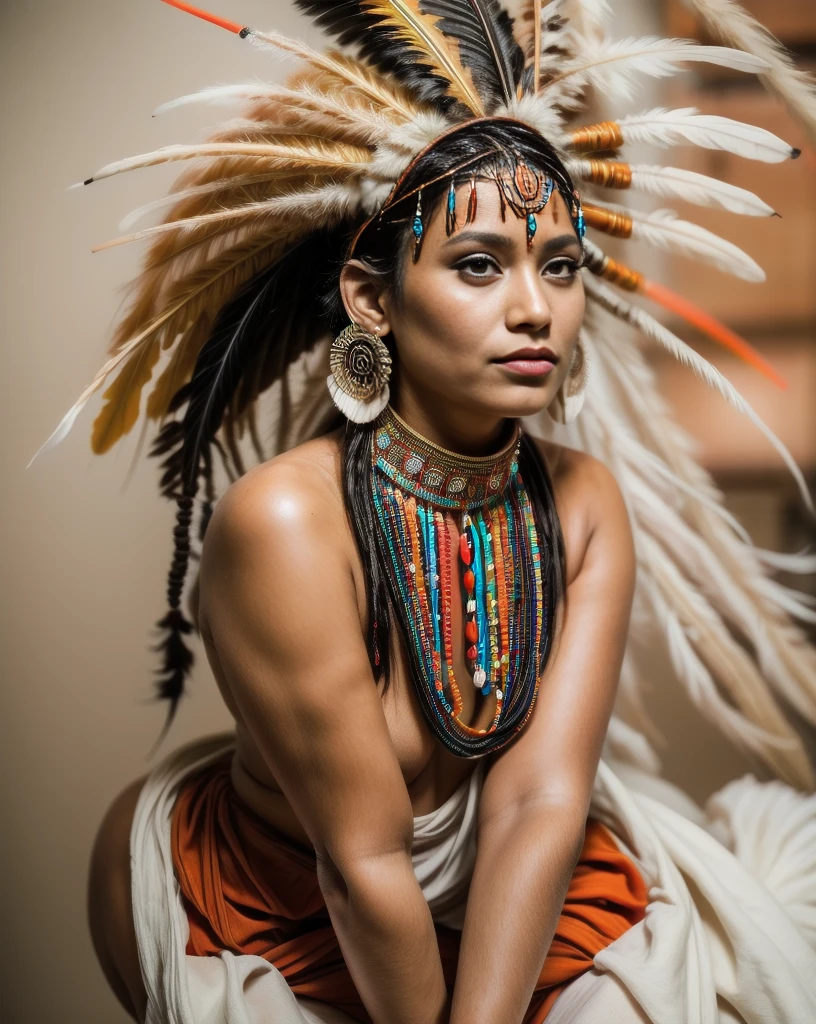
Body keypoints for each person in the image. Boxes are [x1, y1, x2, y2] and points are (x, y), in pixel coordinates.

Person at [37, 1, 816, 1022]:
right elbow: (361, 867)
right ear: (373, 297)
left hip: (514, 898)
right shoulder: (286, 525)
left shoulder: (582, 505)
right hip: (287, 908)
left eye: (562, 264)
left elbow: (540, 805)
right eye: (480, 263)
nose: (537, 307)